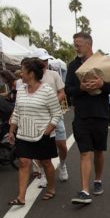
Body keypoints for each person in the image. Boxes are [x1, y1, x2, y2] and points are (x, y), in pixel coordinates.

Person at [65, 32, 110, 205]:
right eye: (75, 44)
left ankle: (98, 180)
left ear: (89, 44)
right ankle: (85, 191)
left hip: (100, 114)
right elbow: (68, 90)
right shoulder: (72, 66)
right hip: (81, 115)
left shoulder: (102, 62)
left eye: (78, 44)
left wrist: (102, 84)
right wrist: (80, 88)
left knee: (99, 151)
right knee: (85, 152)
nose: (76, 47)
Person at [7, 58, 62, 206]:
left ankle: (51, 188)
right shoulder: (20, 90)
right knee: (24, 162)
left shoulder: (47, 91)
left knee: (46, 163)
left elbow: (57, 113)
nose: (20, 74)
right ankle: (21, 197)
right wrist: (11, 131)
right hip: (24, 134)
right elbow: (17, 112)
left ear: (31, 73)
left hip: (42, 134)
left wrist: (47, 131)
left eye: (22, 72)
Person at [32, 48, 69, 185]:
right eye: (42, 60)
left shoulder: (54, 74)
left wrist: (51, 103)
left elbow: (61, 92)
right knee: (40, 147)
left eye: (46, 60)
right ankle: (43, 173)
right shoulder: (30, 76)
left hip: (55, 115)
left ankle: (63, 165)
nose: (45, 63)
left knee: (62, 145)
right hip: (37, 118)